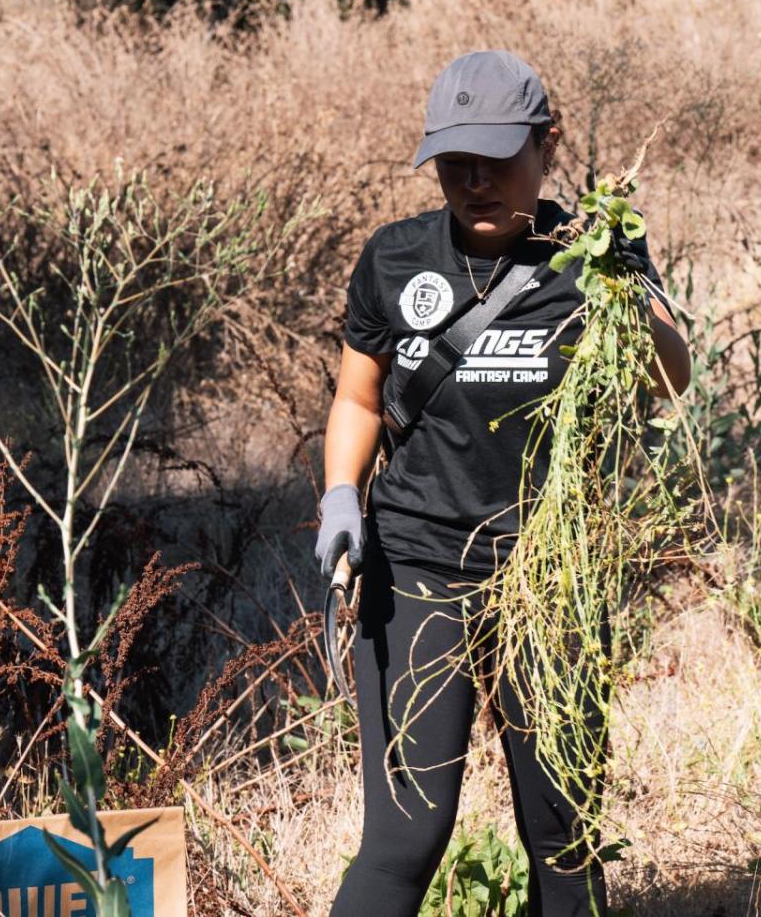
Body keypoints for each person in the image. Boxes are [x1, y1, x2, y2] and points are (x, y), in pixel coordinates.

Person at [317, 50, 691, 917]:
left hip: (549, 578)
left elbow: (669, 380)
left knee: (565, 839)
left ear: (548, 144)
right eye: (453, 163)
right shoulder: (395, 258)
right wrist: (341, 493)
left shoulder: (599, 253)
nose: (473, 181)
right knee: (403, 837)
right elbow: (359, 395)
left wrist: (628, 296)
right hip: (415, 567)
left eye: (495, 158)